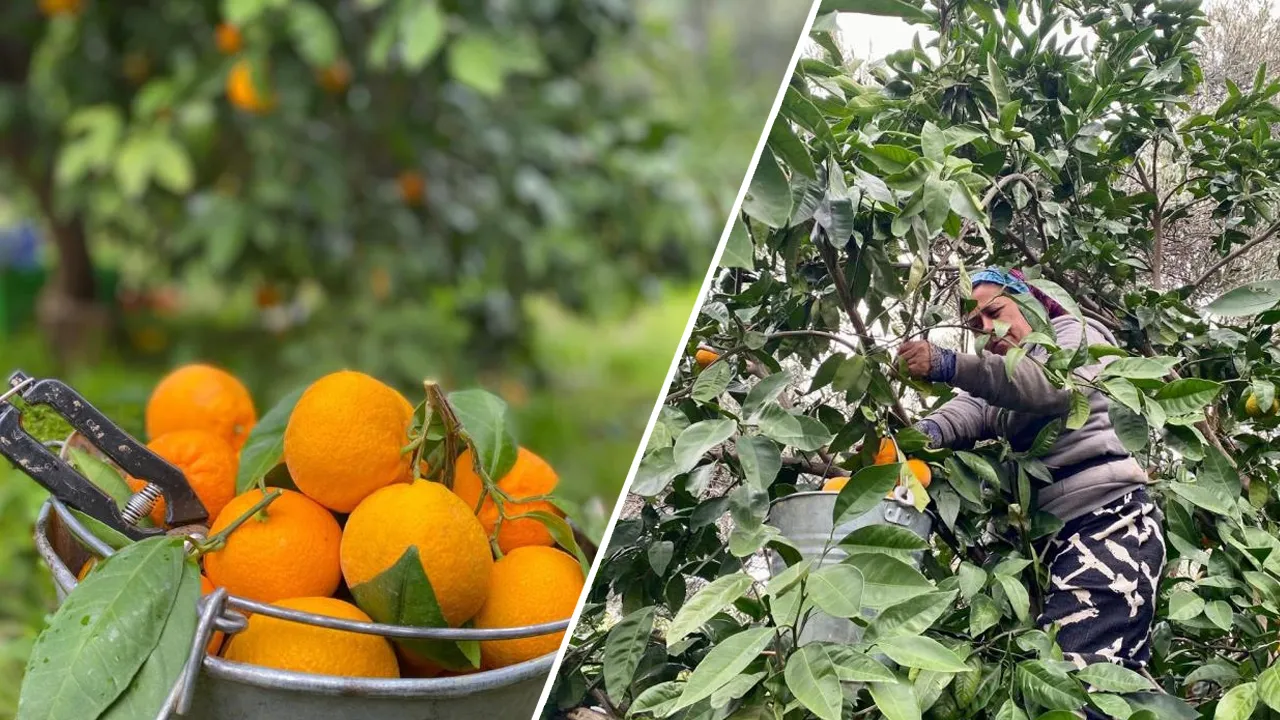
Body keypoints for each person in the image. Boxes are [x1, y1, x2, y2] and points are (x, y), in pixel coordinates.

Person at [894, 267, 1165, 675]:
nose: (988, 328)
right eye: (975, 325)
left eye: (995, 311)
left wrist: (948, 364)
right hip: (1049, 542)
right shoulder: (998, 379)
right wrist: (908, 441)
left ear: (1033, 303)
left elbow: (1051, 385)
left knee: (1083, 681)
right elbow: (967, 411)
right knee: (1082, 682)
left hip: (1110, 520)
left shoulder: (1074, 334)